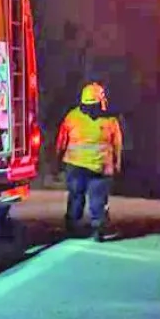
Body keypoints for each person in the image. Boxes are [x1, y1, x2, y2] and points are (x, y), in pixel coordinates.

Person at [57, 82, 123, 242]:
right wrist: (117, 164)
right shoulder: (110, 120)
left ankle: (72, 227)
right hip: (100, 168)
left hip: (76, 166)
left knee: (76, 197)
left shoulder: (72, 117)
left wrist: (58, 159)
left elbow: (61, 141)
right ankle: (98, 229)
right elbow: (117, 144)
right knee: (97, 200)